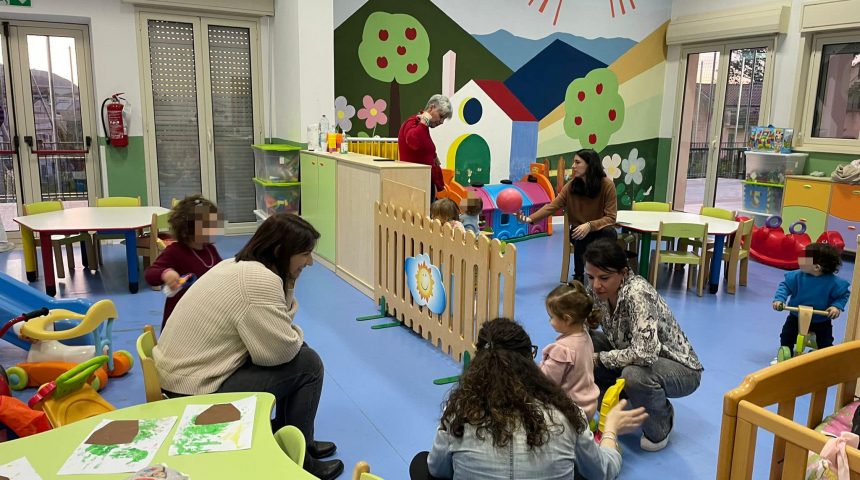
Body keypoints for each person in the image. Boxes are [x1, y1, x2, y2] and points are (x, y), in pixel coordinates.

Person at [153, 213, 343, 480]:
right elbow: (280, 351)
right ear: (281, 251)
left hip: (180, 376)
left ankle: (296, 438)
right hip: (191, 390)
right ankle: (302, 462)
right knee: (308, 364)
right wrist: (294, 334)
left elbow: (280, 330)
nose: (310, 262)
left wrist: (289, 283)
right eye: (305, 254)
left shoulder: (241, 265)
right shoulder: (259, 280)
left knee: (300, 352)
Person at [409, 318, 647, 480]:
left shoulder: (461, 413)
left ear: (479, 361)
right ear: (528, 360)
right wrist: (610, 430)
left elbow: (436, 469)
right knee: (580, 467)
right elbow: (604, 470)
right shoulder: (565, 413)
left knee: (420, 464)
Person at [583, 238, 703, 452]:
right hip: (632, 352)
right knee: (586, 342)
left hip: (679, 368)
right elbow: (583, 323)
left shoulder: (637, 293)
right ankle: (617, 404)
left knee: (633, 375)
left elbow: (645, 354)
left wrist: (599, 359)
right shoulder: (597, 289)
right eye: (590, 277)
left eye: (604, 278)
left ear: (623, 272)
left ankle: (661, 424)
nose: (595, 285)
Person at [521, 149, 617, 284]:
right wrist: (529, 219)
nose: (573, 166)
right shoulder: (571, 186)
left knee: (609, 233)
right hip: (578, 231)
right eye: (574, 162)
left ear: (590, 165)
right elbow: (552, 206)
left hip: (599, 230)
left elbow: (611, 218)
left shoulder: (607, 185)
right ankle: (578, 277)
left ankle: (606, 274)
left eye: (577, 162)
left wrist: (589, 225)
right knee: (580, 234)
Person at [144, 195, 223, 330]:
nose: (213, 229)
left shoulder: (210, 250)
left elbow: (222, 273)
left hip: (205, 318)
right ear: (187, 229)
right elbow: (150, 274)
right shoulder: (175, 251)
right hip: (180, 323)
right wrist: (166, 273)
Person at [773, 242, 850, 353]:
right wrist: (779, 299)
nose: (800, 260)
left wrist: (836, 307)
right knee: (787, 334)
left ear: (817, 267)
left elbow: (843, 295)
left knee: (825, 342)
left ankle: (823, 356)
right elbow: (785, 286)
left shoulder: (834, 283)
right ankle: (786, 351)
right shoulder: (796, 276)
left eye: (805, 259)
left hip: (821, 319)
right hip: (797, 315)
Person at [540, 281, 601, 420]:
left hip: (571, 412)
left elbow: (545, 381)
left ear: (567, 319)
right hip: (589, 404)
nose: (550, 321)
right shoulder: (585, 334)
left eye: (552, 317)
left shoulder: (561, 350)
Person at [398, 94, 453, 201]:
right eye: (441, 116)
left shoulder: (423, 127)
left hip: (424, 184)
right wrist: (424, 121)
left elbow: (424, 146)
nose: (441, 122)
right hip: (415, 185)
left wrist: (434, 156)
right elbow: (413, 141)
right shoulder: (413, 122)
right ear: (431, 108)